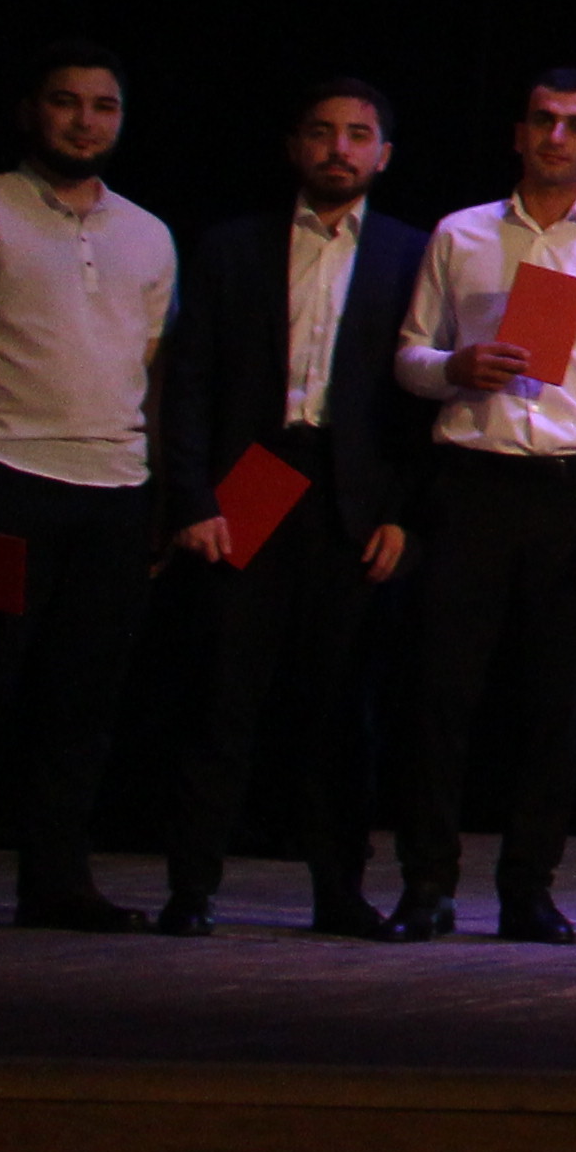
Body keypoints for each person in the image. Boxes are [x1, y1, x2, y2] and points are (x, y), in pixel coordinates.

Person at [0, 47, 184, 939]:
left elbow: (152, 373)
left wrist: (157, 495)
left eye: (104, 106)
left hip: (114, 490)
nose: (85, 121)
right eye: (67, 103)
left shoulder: (148, 233)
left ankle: (56, 881)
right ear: (33, 111)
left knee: (83, 701)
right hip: (3, 479)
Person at [385, 71, 576, 943]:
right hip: (472, 482)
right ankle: (427, 885)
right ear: (519, 133)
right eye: (544, 120)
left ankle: (528, 888)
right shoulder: (461, 233)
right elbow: (408, 356)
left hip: (571, 488)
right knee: (441, 695)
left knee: (553, 704)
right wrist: (453, 368)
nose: (556, 137)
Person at [149, 79, 427, 938]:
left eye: (358, 135)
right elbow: (188, 382)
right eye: (322, 132)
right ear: (294, 146)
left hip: (352, 493)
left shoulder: (414, 253)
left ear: (384, 154)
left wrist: (402, 512)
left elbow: (422, 401)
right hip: (255, 481)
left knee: (340, 710)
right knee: (222, 696)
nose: (339, 149)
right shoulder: (234, 247)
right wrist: (192, 499)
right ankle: (191, 888)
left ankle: (340, 893)